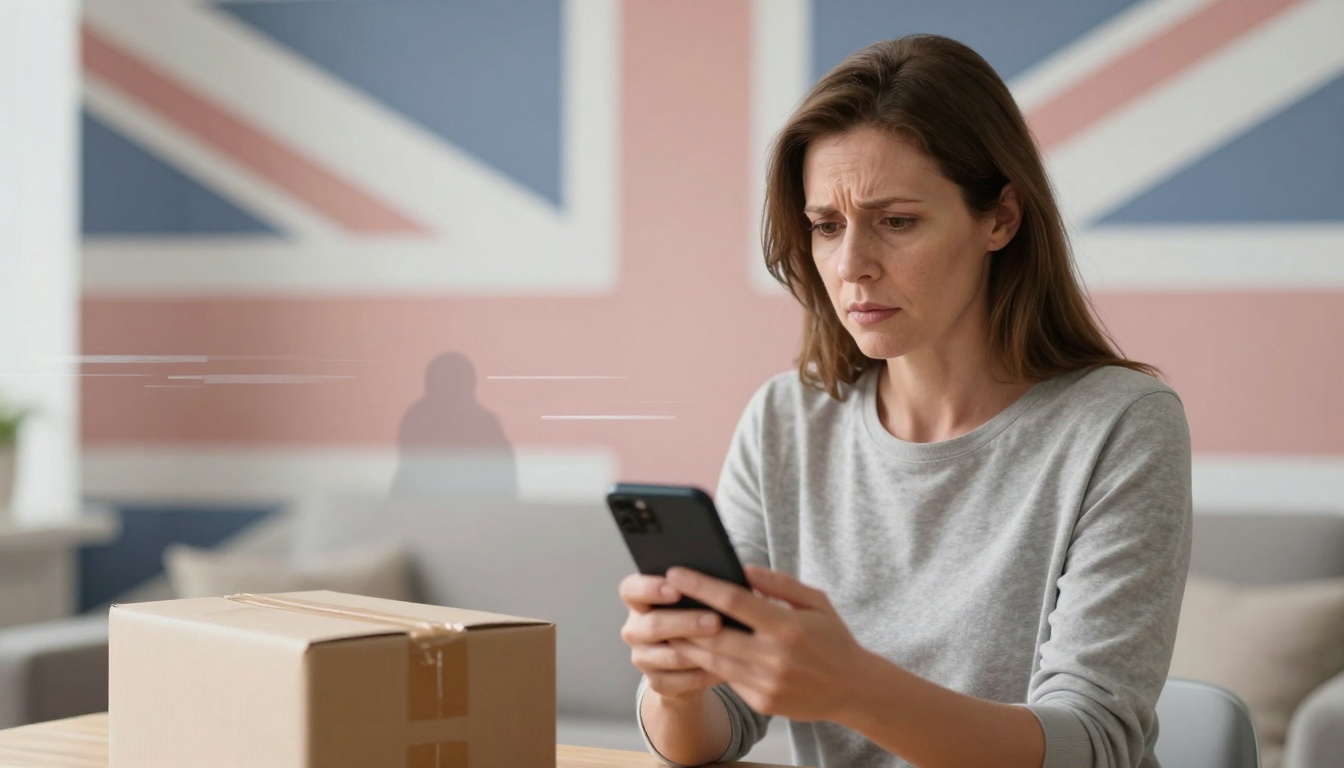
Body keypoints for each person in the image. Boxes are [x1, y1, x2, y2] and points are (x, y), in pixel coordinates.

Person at [618, 34, 1192, 768]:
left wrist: (854, 688)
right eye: (826, 226)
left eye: (896, 222)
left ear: (1000, 219)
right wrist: (677, 688)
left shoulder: (1120, 424)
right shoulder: (785, 421)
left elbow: (1094, 744)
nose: (852, 265)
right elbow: (712, 733)